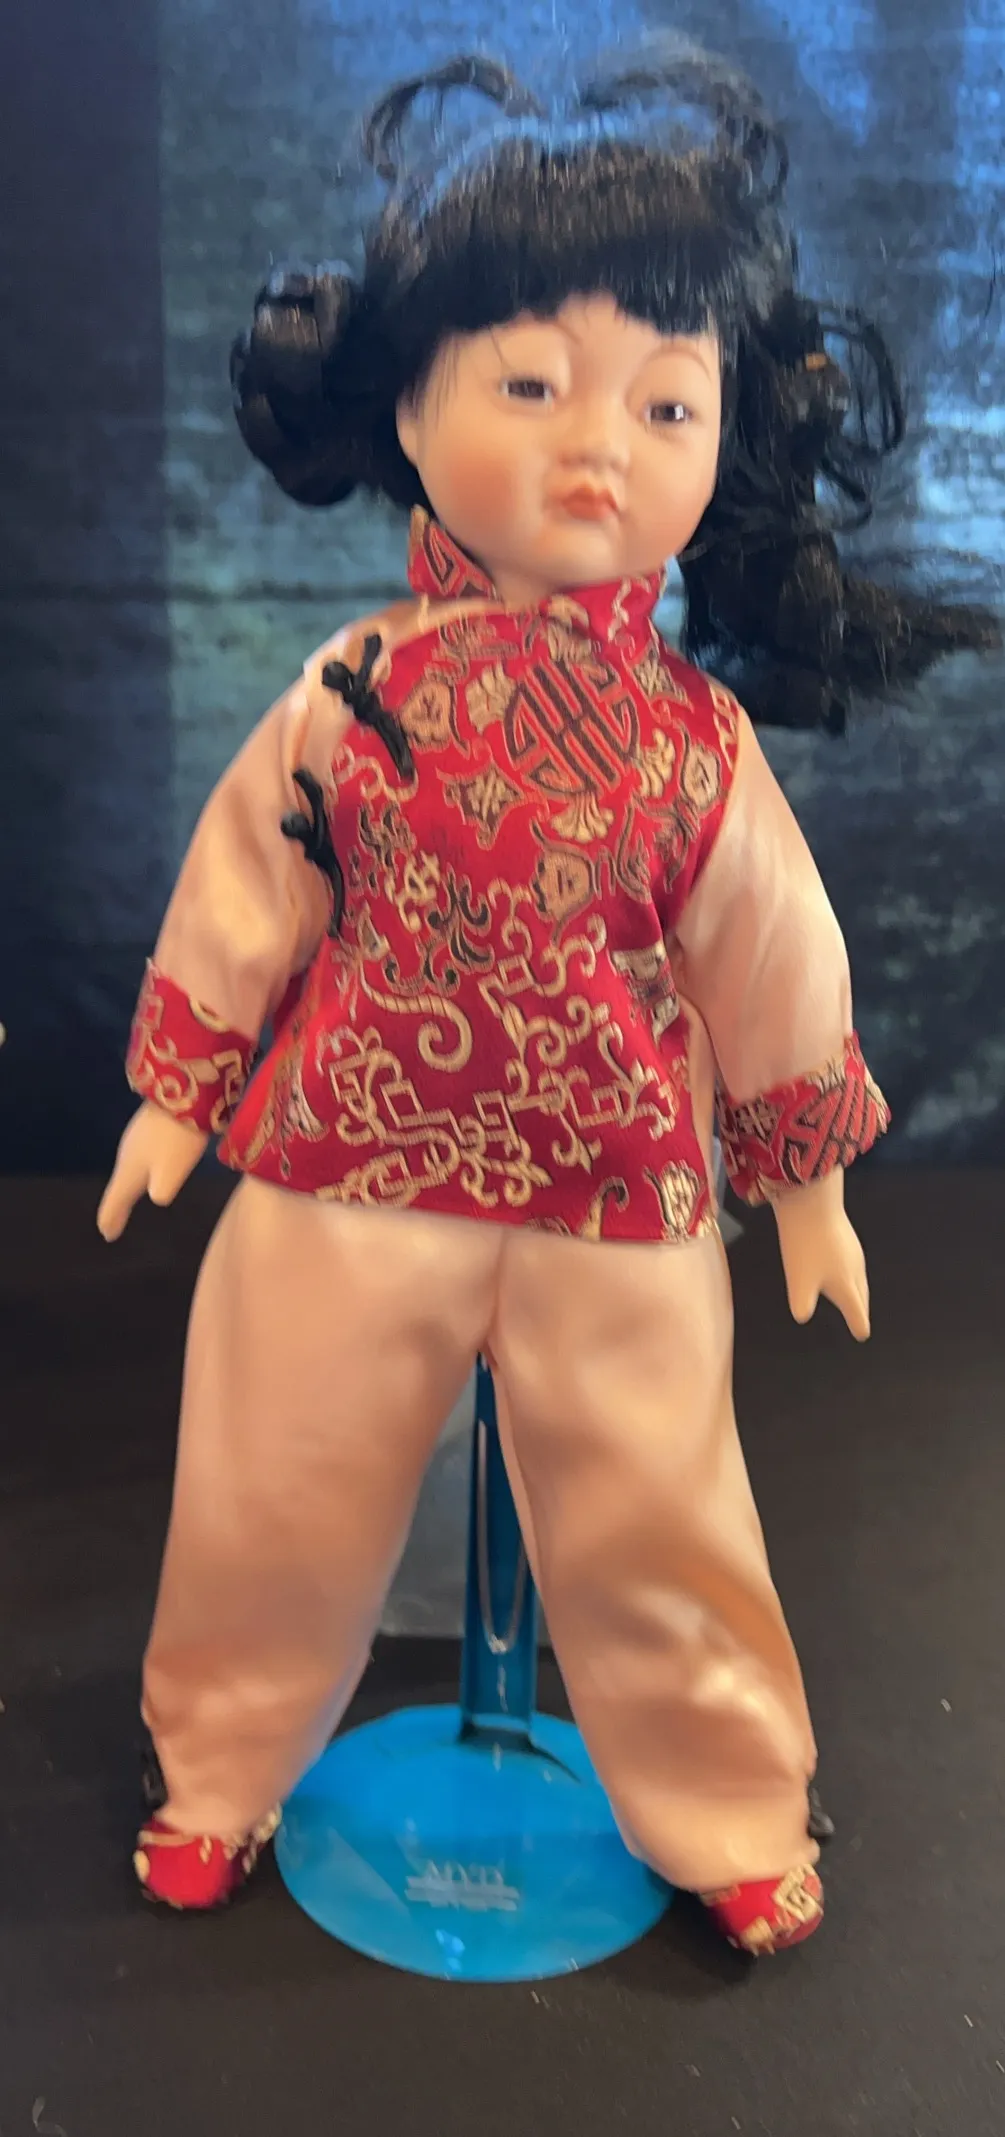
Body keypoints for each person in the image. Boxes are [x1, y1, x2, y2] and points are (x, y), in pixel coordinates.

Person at [97, 44, 997, 1953]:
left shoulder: (693, 743)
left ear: (726, 426)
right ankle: (220, 1766)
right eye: (529, 384)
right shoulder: (352, 693)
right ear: (410, 401)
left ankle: (728, 1803)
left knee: (664, 1515)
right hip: (344, 1163)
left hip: (620, 1190)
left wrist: (810, 1184)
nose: (599, 445)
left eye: (666, 401)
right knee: (271, 1480)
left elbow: (772, 948)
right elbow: (253, 875)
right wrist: (180, 1091)